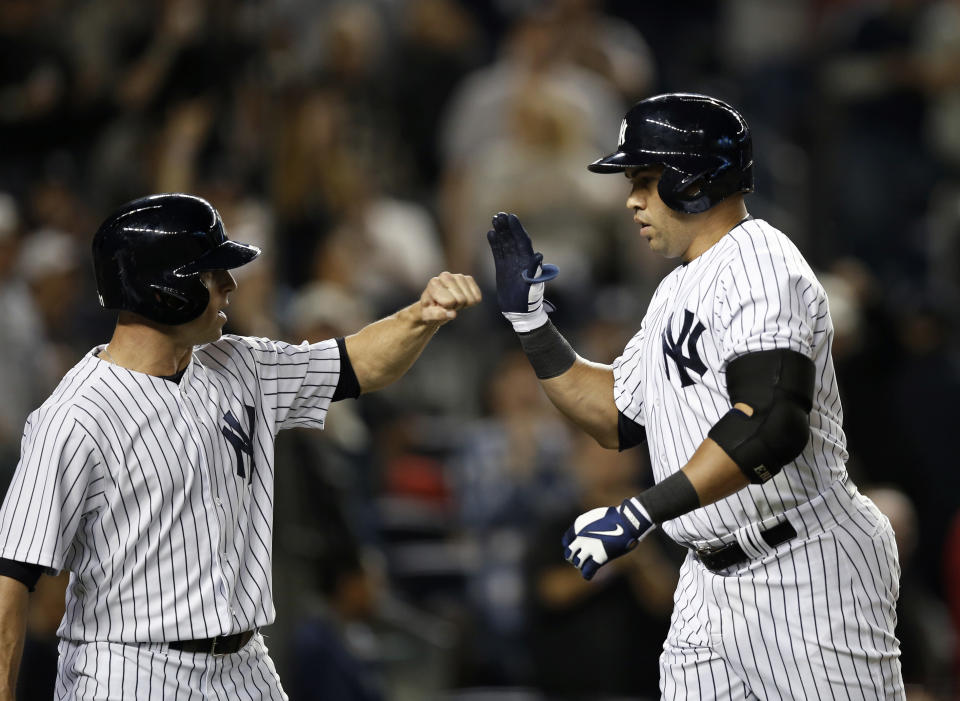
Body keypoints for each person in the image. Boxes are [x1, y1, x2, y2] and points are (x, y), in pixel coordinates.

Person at [486, 93, 905, 699]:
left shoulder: (763, 264)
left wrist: (640, 512)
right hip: (707, 582)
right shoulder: (677, 287)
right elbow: (614, 418)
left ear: (691, 181)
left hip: (805, 567)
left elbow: (769, 425)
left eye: (645, 179)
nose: (631, 199)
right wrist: (532, 326)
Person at [0, 192, 481, 700]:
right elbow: (10, 581)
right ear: (166, 288)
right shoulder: (74, 416)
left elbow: (359, 364)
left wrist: (423, 315)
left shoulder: (242, 365)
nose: (230, 286)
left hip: (246, 667)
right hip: (130, 670)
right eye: (212, 274)